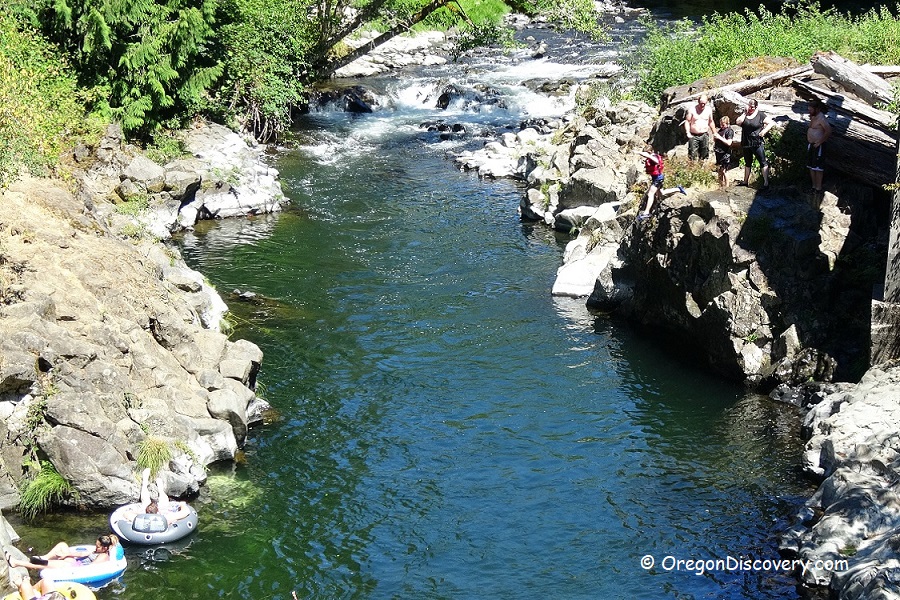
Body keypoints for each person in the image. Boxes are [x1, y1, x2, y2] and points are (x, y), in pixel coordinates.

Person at [6, 535, 119, 571]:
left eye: (98, 547)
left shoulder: (103, 557)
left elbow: (88, 568)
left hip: (76, 567)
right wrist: (67, 555)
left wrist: (70, 565)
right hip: (75, 562)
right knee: (63, 545)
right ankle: (43, 557)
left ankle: (16, 563)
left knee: (44, 565)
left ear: (104, 548)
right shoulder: (96, 550)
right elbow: (82, 554)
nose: (96, 547)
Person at [735, 98, 775, 189]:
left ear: (756, 107)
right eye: (749, 106)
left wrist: (764, 131)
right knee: (747, 162)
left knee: (762, 162)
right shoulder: (745, 115)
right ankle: (745, 181)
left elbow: (771, 123)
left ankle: (766, 183)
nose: (750, 108)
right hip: (746, 142)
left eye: (752, 107)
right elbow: (738, 122)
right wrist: (745, 113)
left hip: (757, 142)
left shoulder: (760, 115)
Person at [636, 148, 686, 220]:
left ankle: (646, 213)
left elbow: (656, 161)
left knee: (650, 194)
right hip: (657, 178)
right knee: (661, 193)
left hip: (658, 178)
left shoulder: (654, 157)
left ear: (649, 152)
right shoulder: (651, 157)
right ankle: (678, 189)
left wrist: (648, 156)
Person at [807, 99, 832, 193]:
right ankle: (813, 187)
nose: (809, 111)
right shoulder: (813, 117)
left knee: (818, 168)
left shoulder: (822, 118)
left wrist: (820, 142)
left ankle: (818, 188)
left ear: (817, 109)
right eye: (809, 110)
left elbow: (828, 131)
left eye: (811, 110)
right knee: (811, 166)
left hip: (818, 146)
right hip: (811, 145)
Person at [684, 94, 715, 161]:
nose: (702, 105)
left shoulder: (709, 110)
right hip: (694, 135)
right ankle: (692, 166)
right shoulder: (692, 109)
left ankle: (701, 166)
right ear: (698, 101)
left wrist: (714, 132)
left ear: (707, 102)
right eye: (701, 103)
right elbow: (687, 121)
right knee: (692, 154)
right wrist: (688, 133)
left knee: (704, 153)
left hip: (704, 134)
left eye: (704, 103)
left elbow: (711, 122)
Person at [713, 115, 734, 188]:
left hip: (725, 153)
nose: (721, 126)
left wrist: (719, 137)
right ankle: (720, 185)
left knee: (725, 170)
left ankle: (727, 186)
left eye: (723, 124)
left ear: (727, 124)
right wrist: (715, 138)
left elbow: (729, 143)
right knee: (719, 170)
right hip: (719, 152)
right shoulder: (720, 130)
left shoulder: (729, 131)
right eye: (720, 124)